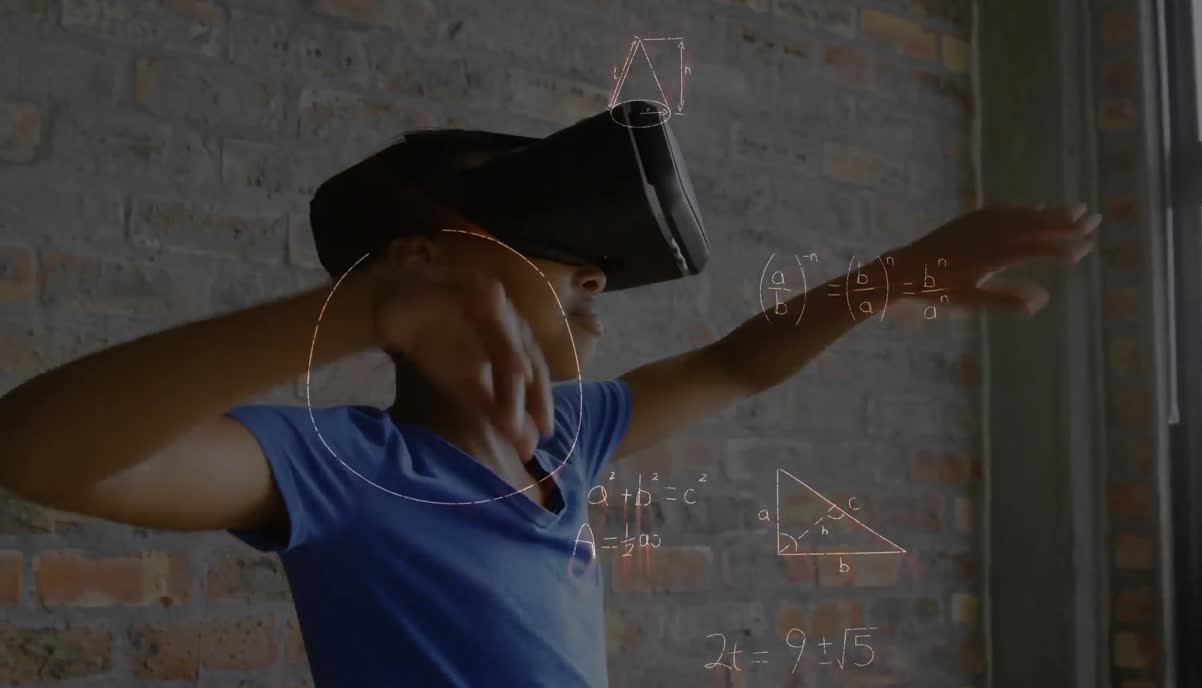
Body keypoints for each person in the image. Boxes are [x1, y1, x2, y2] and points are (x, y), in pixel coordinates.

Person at [0, 127, 1100, 687]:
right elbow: (41, 454)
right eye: (567, 262)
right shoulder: (339, 467)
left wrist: (890, 277)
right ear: (428, 263)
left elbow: (740, 364)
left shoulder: (568, 439)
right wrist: (364, 309)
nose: (596, 288)